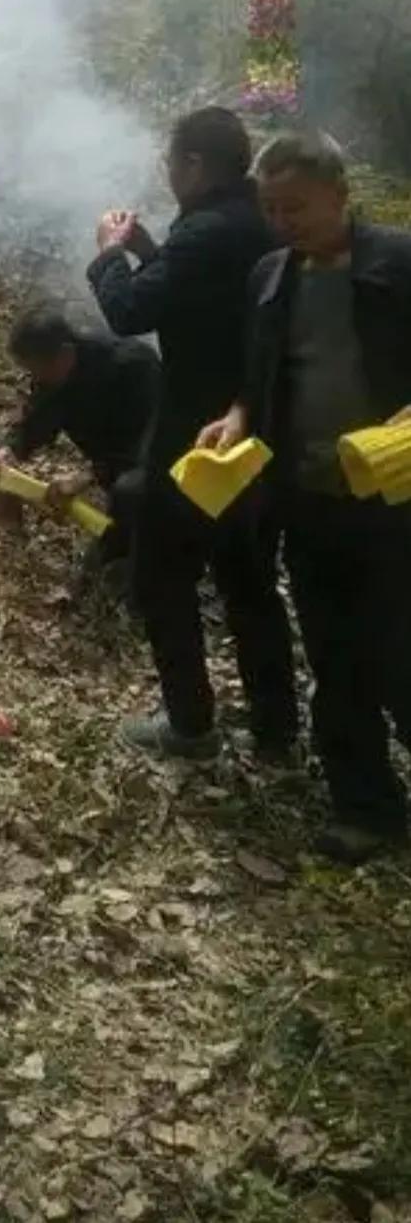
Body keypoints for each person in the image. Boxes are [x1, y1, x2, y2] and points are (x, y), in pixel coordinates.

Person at [199, 131, 411, 862]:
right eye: (271, 208)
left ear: (339, 193)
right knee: (332, 655)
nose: (284, 221)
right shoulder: (267, 276)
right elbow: (258, 377)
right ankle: (365, 808)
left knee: (398, 651)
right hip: (309, 500)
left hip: (396, 503)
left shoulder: (397, 263)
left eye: (297, 206)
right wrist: (234, 420)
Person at [87, 105, 297, 761]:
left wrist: (110, 255)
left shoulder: (204, 232)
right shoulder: (260, 219)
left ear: (195, 165)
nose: (168, 172)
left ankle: (188, 723)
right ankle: (275, 732)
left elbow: (128, 311)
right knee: (249, 584)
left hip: (194, 440)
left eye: (171, 162)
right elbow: (197, 294)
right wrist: (153, 249)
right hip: (256, 430)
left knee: (161, 577)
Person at [0, 304, 159, 567]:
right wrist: (12, 448)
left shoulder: (133, 367)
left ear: (65, 354)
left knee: (130, 497)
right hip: (113, 462)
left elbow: (149, 446)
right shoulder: (52, 373)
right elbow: (38, 417)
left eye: (38, 371)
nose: (36, 379)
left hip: (160, 466)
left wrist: (86, 478)